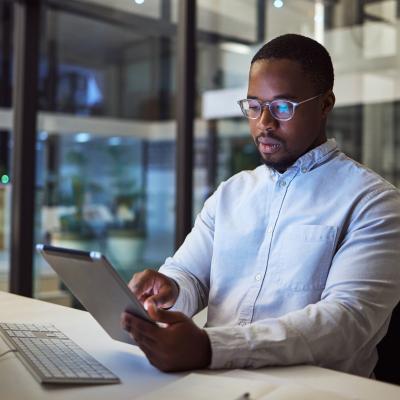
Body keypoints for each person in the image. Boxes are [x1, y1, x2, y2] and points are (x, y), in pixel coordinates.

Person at [121, 33, 400, 377]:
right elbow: (189, 273)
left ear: (326, 104)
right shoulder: (231, 193)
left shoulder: (374, 202)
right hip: (212, 379)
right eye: (254, 107)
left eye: (282, 107)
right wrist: (169, 290)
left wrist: (213, 348)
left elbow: (346, 320)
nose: (264, 123)